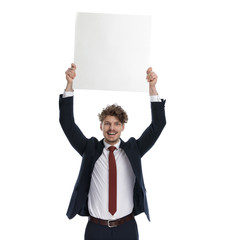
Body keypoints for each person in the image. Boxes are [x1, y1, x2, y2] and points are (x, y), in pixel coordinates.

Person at [59, 63, 166, 240]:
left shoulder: (134, 150)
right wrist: (69, 84)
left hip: (127, 228)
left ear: (123, 127)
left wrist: (152, 87)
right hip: (96, 228)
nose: (111, 128)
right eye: (107, 123)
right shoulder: (90, 149)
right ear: (101, 126)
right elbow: (67, 124)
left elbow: (158, 125)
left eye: (116, 124)